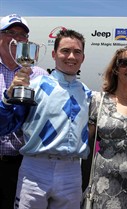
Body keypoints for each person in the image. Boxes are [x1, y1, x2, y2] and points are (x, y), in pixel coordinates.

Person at [0, 29, 91, 209]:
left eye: (77, 52)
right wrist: (7, 98)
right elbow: (4, 126)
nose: (71, 56)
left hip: (71, 171)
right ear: (53, 54)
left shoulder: (87, 93)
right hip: (35, 169)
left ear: (83, 57)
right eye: (65, 50)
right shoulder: (33, 86)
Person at [82, 45, 127, 208]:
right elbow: (85, 142)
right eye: (125, 63)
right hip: (106, 190)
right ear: (115, 68)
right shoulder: (98, 100)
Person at [0, 14, 48, 209]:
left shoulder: (40, 75)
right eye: (10, 32)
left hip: (26, 165)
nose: (16, 38)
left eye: (22, 35)